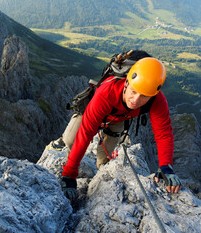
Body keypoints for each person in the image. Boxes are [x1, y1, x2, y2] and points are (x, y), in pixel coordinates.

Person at [58, 51, 182, 202]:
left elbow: (163, 133)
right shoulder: (107, 92)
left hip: (118, 119)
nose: (135, 100)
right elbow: (86, 132)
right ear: (127, 83)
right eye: (133, 91)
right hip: (92, 112)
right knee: (71, 140)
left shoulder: (157, 100)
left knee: (105, 158)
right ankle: (64, 153)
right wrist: (69, 175)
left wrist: (166, 166)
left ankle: (101, 174)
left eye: (144, 96)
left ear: (152, 95)